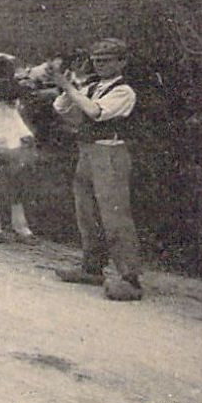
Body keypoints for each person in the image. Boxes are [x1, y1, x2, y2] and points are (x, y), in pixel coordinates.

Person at [50, 37, 143, 301]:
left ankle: (130, 278)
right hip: (88, 151)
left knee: (115, 215)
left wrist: (69, 86)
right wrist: (71, 86)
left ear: (122, 62)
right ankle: (92, 267)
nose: (100, 65)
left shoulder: (124, 91)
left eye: (107, 60)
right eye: (97, 60)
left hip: (110, 153)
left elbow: (95, 112)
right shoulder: (92, 86)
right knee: (86, 212)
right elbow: (60, 107)